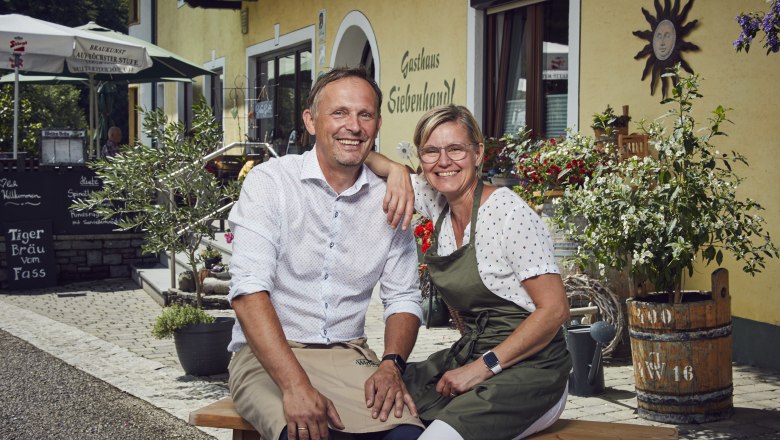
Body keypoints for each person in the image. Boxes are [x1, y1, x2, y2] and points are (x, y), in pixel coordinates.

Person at [226, 67, 425, 440]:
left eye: (364, 115)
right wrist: (295, 385)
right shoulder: (271, 182)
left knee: (408, 436)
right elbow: (248, 293)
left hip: (349, 352)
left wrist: (391, 365)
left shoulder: (392, 198)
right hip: (267, 355)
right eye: (339, 113)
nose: (353, 125)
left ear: (377, 124)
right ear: (311, 121)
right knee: (305, 434)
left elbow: (404, 298)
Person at [365, 104, 572, 440]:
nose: (443, 161)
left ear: (478, 154)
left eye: (456, 149)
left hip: (533, 372)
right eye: (431, 151)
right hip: (471, 355)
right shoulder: (438, 201)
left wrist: (481, 368)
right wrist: (398, 171)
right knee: (377, 403)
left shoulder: (509, 213)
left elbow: (555, 311)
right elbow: (365, 158)